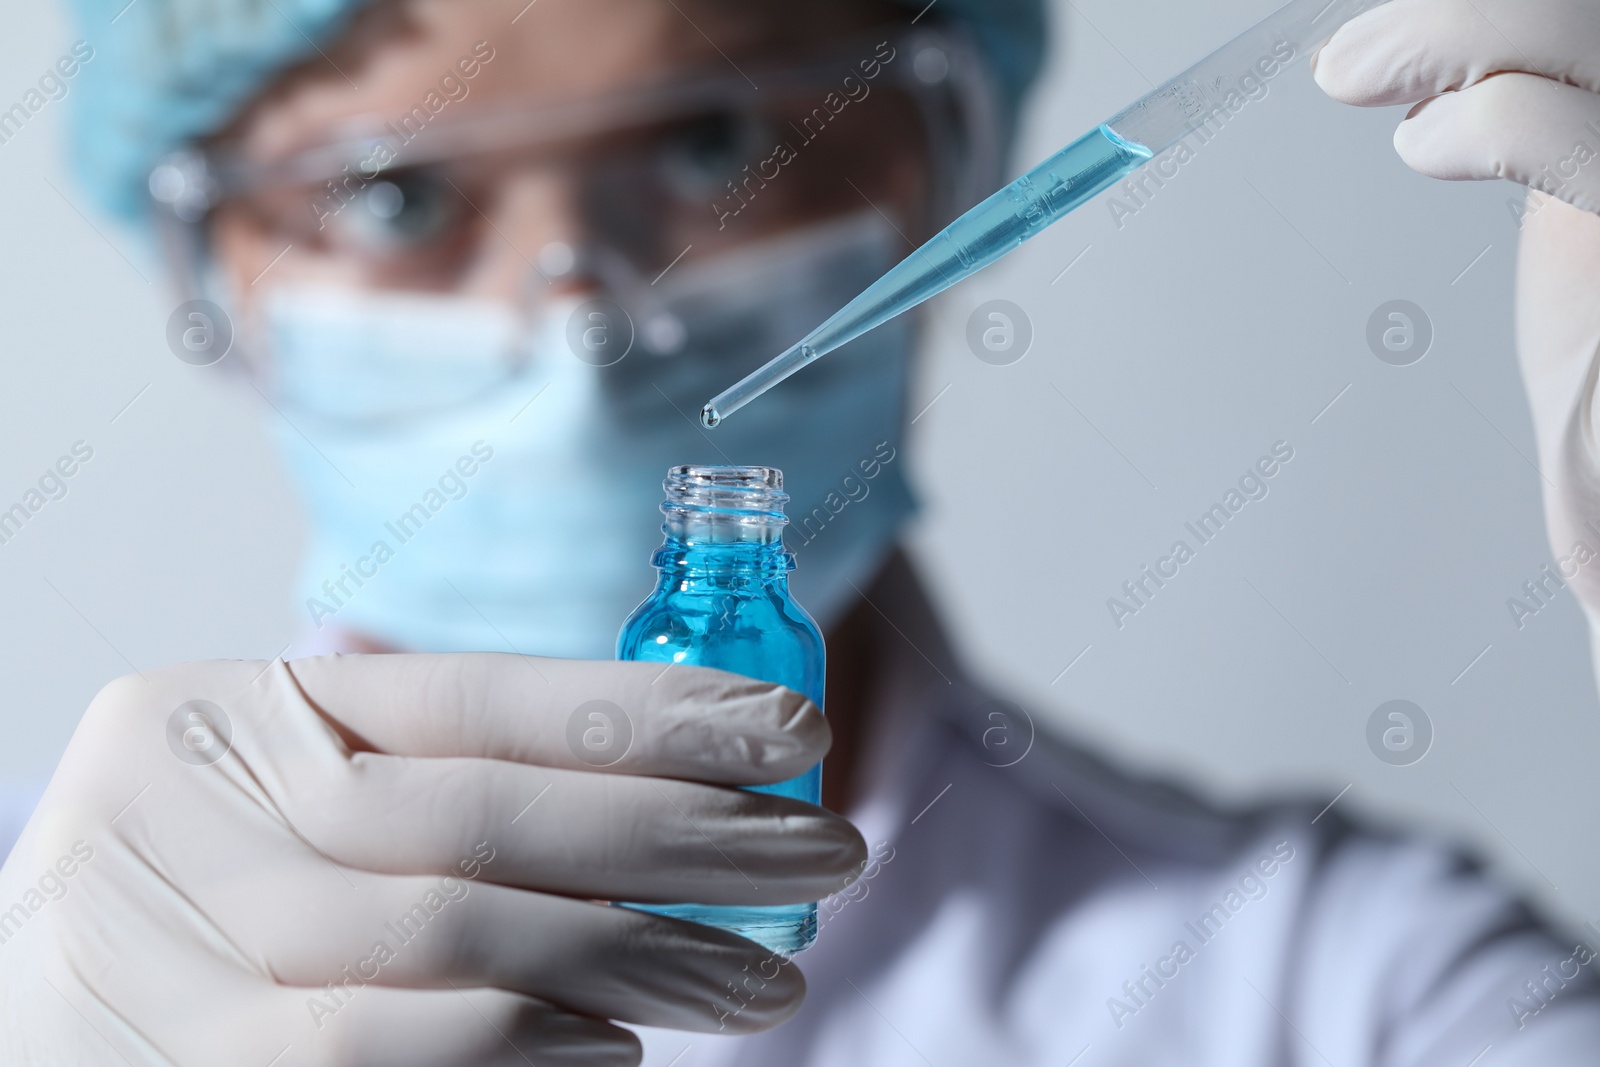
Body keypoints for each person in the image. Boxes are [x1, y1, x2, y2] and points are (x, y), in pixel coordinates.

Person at [3, 0, 1599, 1063]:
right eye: (397, 197)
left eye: (711, 148)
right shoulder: (54, 946)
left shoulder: (1343, 991)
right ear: (215, 269)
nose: (581, 318)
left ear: (942, 163)